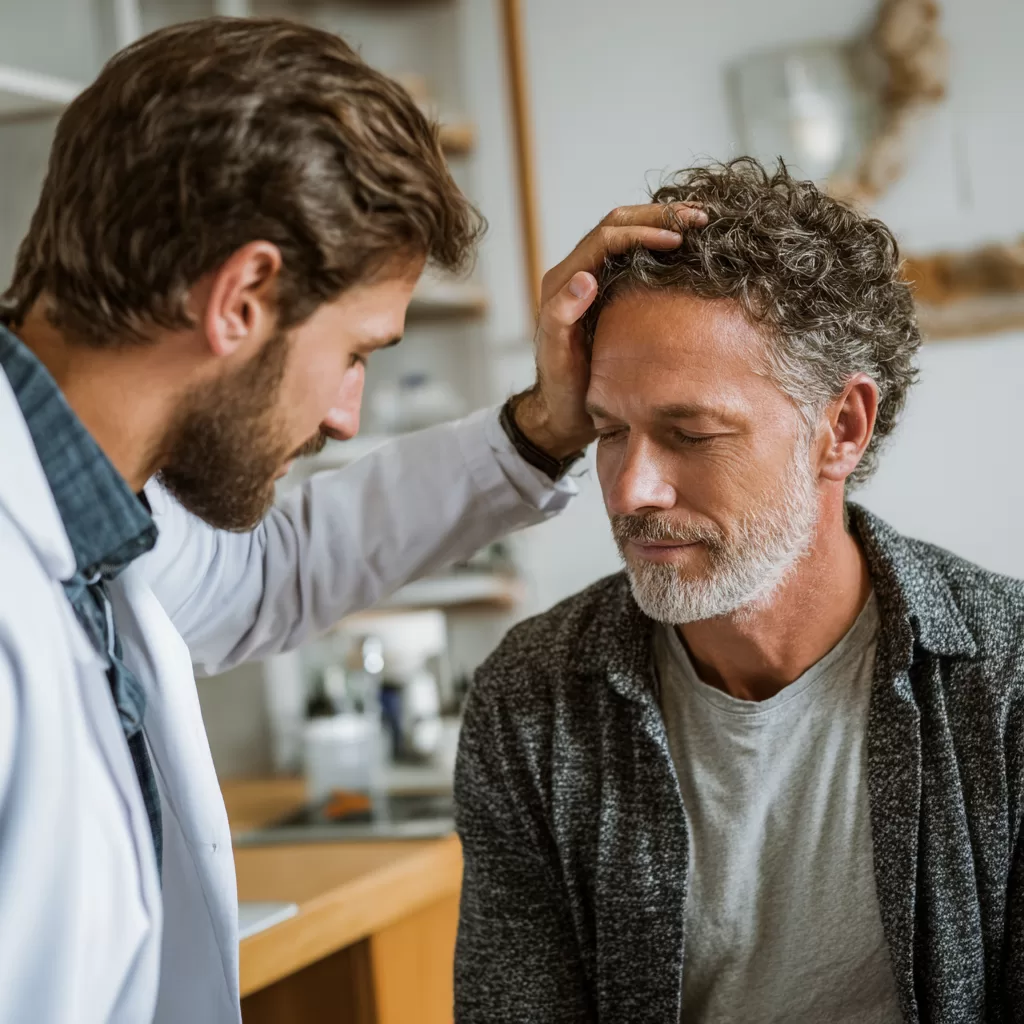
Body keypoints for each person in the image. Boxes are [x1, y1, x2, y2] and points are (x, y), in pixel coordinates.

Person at [0, 17, 706, 1024]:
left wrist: (547, 426)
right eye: (356, 351)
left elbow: (267, 573)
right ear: (241, 298)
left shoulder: (94, 509)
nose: (346, 413)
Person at [454, 158, 1024, 1024]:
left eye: (690, 433)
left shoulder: (1008, 677)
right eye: (609, 430)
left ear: (841, 427)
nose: (630, 489)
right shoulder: (532, 699)